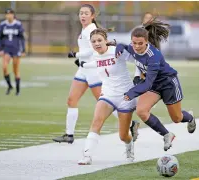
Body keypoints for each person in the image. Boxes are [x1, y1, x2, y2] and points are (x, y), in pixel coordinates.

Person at [53, 4, 139, 144]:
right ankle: (69, 135)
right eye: (81, 13)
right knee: (71, 100)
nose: (83, 15)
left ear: (92, 16)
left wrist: (76, 54)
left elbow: (93, 51)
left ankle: (131, 124)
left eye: (86, 13)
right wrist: (80, 60)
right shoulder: (85, 29)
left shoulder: (91, 30)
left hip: (94, 70)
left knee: (106, 103)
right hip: (83, 69)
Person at [115, 19, 196, 151]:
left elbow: (147, 83)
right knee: (141, 111)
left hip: (168, 83)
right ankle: (166, 134)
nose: (136, 46)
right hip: (154, 85)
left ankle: (190, 117)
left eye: (140, 43)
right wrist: (118, 46)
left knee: (177, 118)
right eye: (134, 43)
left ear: (147, 42)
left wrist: (132, 93)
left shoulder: (154, 56)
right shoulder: (133, 48)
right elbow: (125, 46)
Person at [76, 28, 138, 165]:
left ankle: (129, 145)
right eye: (93, 41)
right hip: (108, 94)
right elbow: (97, 63)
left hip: (126, 96)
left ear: (106, 41)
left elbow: (137, 60)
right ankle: (87, 155)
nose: (97, 43)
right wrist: (83, 64)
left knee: (123, 136)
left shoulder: (117, 51)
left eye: (99, 40)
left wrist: (143, 77)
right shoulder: (95, 54)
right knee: (96, 121)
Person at [0, 8, 26, 96]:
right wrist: (0, 49)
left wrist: (23, 50)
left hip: (16, 49)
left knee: (15, 69)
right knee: (4, 67)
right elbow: (0, 38)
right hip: (6, 49)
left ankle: (18, 90)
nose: (8, 15)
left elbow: (22, 38)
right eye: (7, 14)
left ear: (13, 15)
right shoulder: (3, 25)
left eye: (10, 14)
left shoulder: (18, 24)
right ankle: (9, 85)